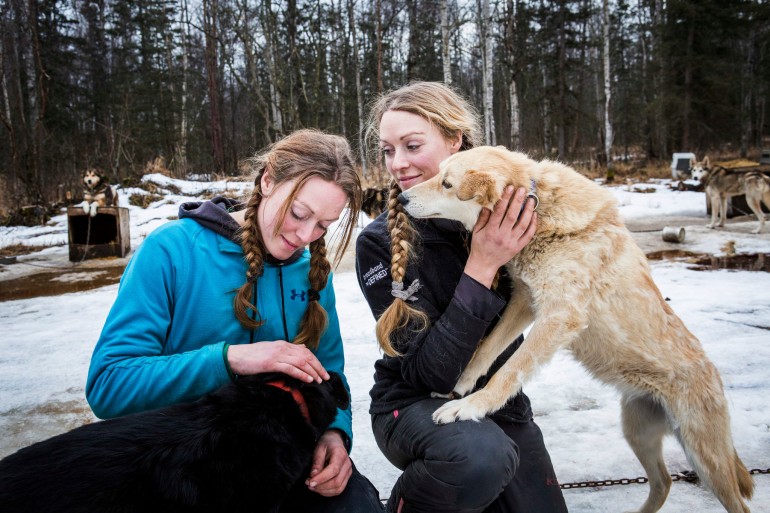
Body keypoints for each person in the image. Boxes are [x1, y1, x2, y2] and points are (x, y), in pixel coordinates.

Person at [87, 129, 384, 512]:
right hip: (178, 467)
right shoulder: (173, 250)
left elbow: (330, 375)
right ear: (267, 180)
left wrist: (334, 434)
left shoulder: (313, 273)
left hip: (282, 460)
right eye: (298, 213)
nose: (306, 235)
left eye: (324, 225)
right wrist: (230, 360)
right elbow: (109, 385)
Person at [355, 82, 569, 513]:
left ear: (455, 140)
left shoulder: (510, 208)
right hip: (412, 405)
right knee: (479, 458)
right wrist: (482, 265)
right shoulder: (379, 243)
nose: (397, 163)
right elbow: (431, 374)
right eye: (387, 150)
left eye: (412, 145)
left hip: (499, 400)